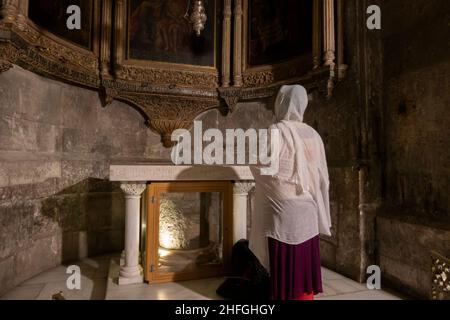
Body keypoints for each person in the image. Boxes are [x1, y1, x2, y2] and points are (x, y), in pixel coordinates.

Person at [249, 85, 332, 301]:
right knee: (304, 265)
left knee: (286, 270)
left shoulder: (275, 132)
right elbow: (321, 175)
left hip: (282, 210)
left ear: (283, 102)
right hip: (308, 208)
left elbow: (258, 165)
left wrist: (281, 184)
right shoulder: (313, 134)